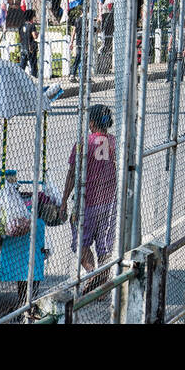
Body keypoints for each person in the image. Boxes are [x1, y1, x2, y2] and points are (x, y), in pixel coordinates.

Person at [60, 104, 116, 294]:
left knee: (81, 245)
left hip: (87, 203)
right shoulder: (115, 143)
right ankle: (101, 285)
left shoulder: (83, 144)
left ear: (91, 123)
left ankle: (92, 273)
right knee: (105, 248)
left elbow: (72, 174)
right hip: (110, 203)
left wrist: (64, 201)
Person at [18, 9, 38, 76]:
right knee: (33, 66)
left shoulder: (21, 25)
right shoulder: (32, 25)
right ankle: (34, 79)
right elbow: (34, 36)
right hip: (30, 48)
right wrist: (37, 33)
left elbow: (20, 38)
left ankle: (20, 78)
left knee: (22, 66)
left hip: (23, 47)